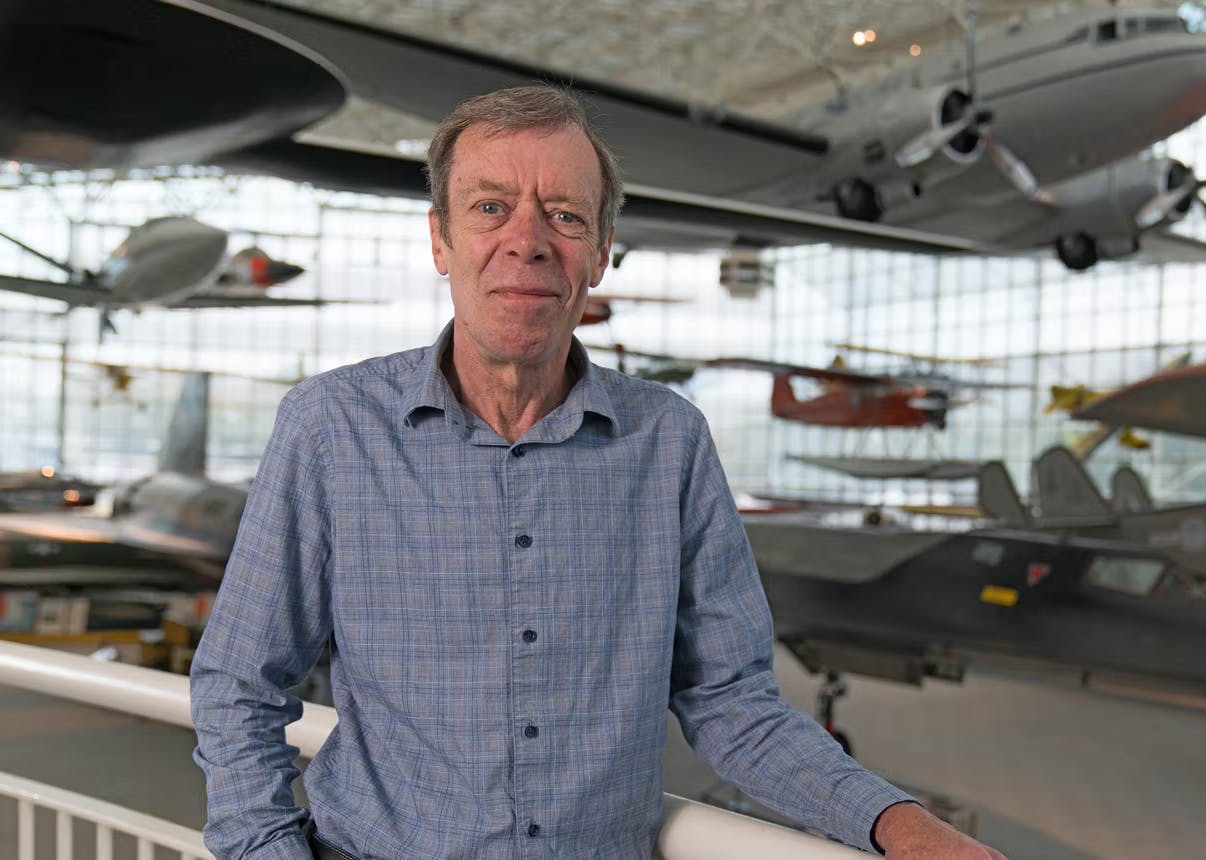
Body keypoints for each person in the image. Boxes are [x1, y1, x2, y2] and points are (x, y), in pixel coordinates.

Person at [189, 86, 1006, 859]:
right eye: (489, 207)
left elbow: (732, 703)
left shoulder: (669, 444)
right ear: (440, 239)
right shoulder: (333, 429)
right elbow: (238, 688)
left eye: (566, 214)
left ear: (602, 251)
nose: (528, 239)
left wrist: (899, 826)